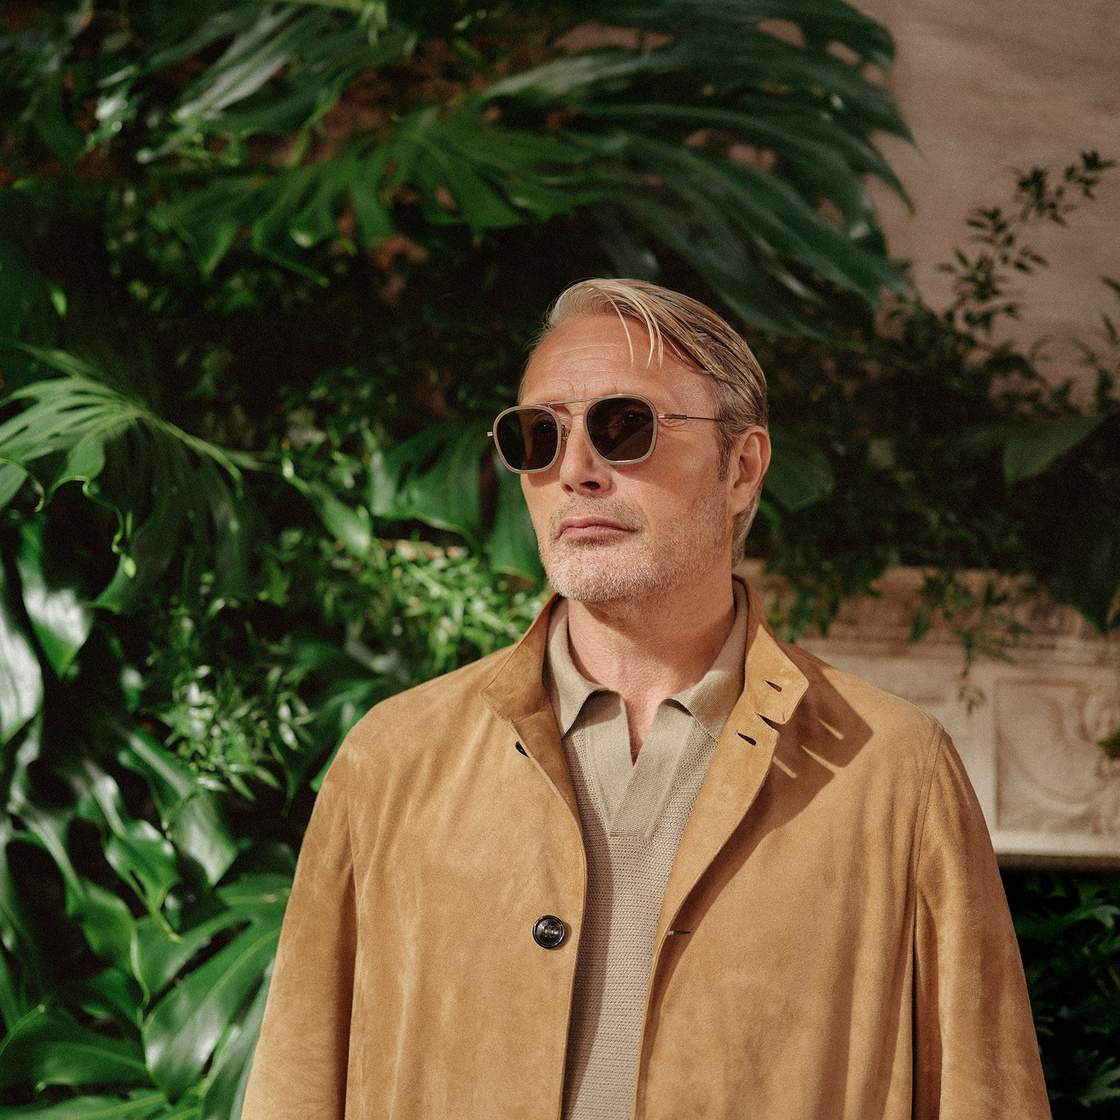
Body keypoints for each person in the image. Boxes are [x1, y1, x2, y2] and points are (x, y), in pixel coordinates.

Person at [241, 278, 1052, 1119]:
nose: (574, 471)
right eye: (538, 436)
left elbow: (986, 1095)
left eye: (624, 427)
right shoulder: (394, 761)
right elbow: (294, 1089)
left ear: (742, 468)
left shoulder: (892, 773)